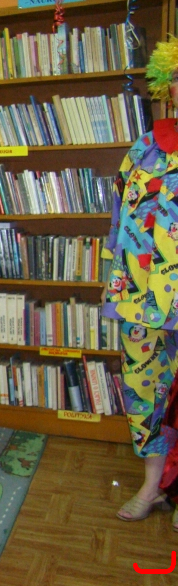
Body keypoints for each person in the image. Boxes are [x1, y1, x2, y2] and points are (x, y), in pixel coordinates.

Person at [102, 36, 178, 527]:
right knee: (145, 390)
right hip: (139, 295)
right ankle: (153, 486)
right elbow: (118, 214)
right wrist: (114, 276)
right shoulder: (146, 146)